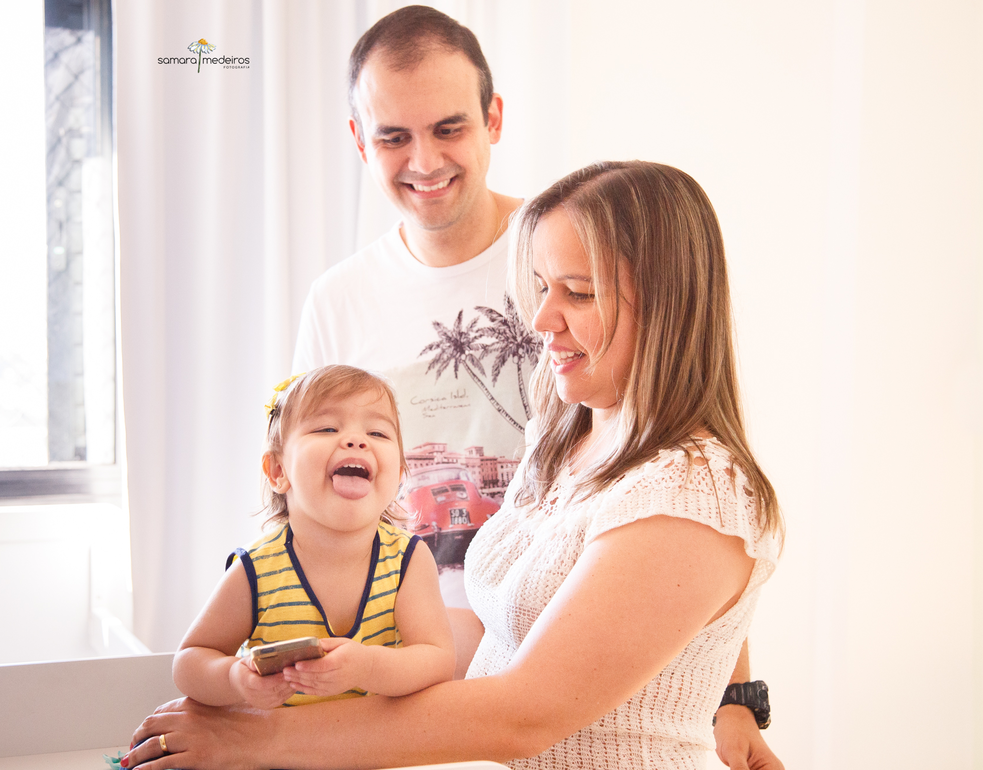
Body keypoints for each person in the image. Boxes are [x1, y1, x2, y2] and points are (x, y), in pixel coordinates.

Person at [121, 161, 783, 770]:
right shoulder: (567, 427)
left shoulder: (693, 493)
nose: (542, 319)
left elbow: (525, 715)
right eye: (542, 287)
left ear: (670, 304)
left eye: (578, 293)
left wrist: (254, 740)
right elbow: (498, 639)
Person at [292, 5, 782, 767]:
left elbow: (679, 539)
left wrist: (733, 694)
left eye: (448, 128)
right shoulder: (345, 301)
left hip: (530, 696)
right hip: (425, 663)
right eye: (394, 136)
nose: (423, 160)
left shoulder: (563, 238)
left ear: (492, 119)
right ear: (361, 140)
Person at [170, 365, 455, 711]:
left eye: (378, 433)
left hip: (375, 744)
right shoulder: (256, 571)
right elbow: (189, 662)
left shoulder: (407, 559)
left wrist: (367, 667)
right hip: (281, 745)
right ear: (278, 472)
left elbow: (438, 659)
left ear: (397, 476)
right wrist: (235, 679)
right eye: (327, 428)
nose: (356, 440)